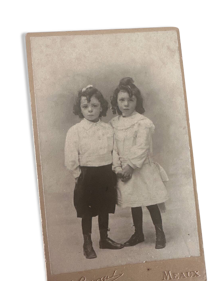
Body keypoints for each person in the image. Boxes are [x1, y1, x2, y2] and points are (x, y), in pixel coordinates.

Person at [65, 85, 124, 259]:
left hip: (106, 172)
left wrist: (115, 170)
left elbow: (114, 151)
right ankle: (87, 242)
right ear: (80, 108)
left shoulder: (108, 129)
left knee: (104, 206)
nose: (90, 110)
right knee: (87, 210)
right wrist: (78, 175)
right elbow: (70, 156)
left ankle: (104, 239)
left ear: (101, 107)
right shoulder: (75, 131)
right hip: (87, 175)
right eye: (85, 106)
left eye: (95, 106)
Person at [110, 77, 169, 249]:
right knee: (133, 202)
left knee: (150, 200)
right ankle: (138, 233)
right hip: (124, 171)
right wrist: (118, 168)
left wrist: (130, 166)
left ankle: (160, 233)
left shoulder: (142, 123)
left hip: (141, 169)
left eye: (130, 100)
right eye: (122, 100)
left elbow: (142, 147)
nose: (126, 104)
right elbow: (113, 148)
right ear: (116, 102)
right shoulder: (114, 124)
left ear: (137, 101)